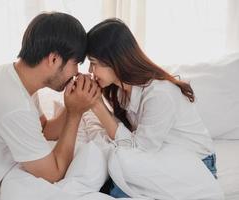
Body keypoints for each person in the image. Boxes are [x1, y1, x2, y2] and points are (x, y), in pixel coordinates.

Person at [0, 12, 101, 199]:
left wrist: (73, 104)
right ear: (54, 59)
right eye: (76, 63)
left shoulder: (11, 77)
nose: (76, 72)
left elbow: (45, 130)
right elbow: (54, 173)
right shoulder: (14, 104)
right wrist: (75, 113)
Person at [87, 18, 219, 198]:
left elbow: (139, 149)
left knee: (121, 167)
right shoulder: (120, 91)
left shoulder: (159, 93)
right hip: (164, 157)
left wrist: (97, 106)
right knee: (112, 163)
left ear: (114, 59)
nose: (90, 70)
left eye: (94, 63)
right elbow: (130, 138)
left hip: (198, 167)